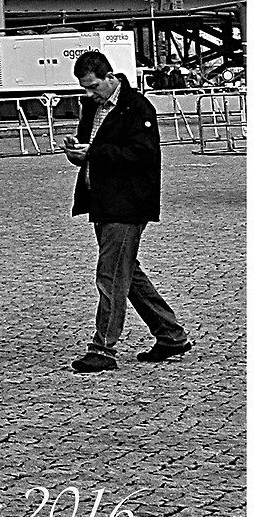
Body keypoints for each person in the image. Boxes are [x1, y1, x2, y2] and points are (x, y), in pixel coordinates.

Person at [63, 49, 190, 372]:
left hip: (128, 202)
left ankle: (103, 348)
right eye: (84, 88)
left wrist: (94, 152)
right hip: (102, 200)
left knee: (110, 275)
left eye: (93, 86)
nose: (89, 94)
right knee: (126, 272)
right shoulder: (92, 108)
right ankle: (170, 334)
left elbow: (142, 154)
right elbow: (92, 148)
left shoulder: (137, 107)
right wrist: (78, 153)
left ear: (110, 77)